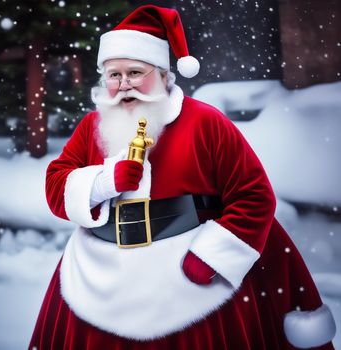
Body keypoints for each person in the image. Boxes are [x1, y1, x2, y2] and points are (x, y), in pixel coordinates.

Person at [29, 5, 336, 349]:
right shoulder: (92, 126)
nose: (124, 84)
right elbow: (57, 186)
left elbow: (254, 196)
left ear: (163, 74)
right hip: (95, 277)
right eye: (113, 75)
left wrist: (212, 257)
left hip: (188, 279)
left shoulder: (206, 122)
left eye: (135, 72)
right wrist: (103, 181)